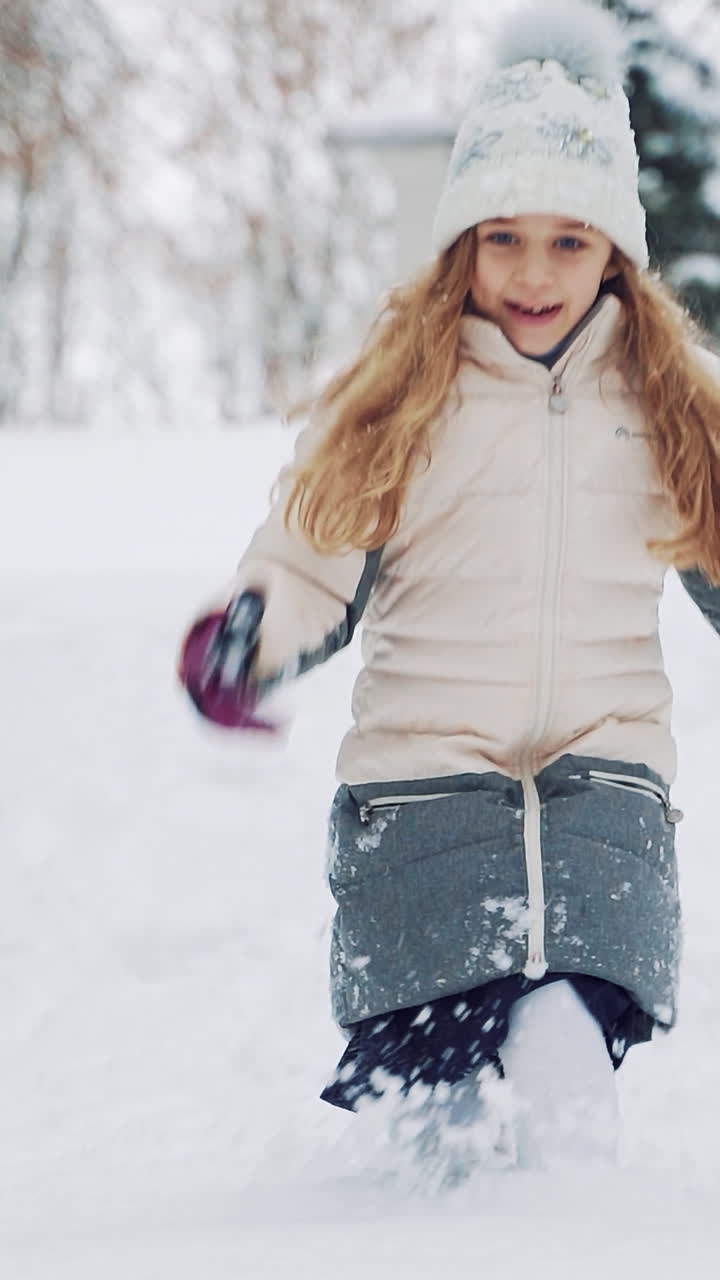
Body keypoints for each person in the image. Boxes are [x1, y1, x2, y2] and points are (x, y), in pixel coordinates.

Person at [178, 0, 720, 1175]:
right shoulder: (402, 398)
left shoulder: (673, 402)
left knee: (568, 1048)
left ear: (617, 249)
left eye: (570, 241)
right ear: (460, 242)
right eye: (503, 237)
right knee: (441, 1123)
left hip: (602, 797)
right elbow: (311, 554)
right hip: (425, 804)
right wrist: (251, 629)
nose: (533, 272)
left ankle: (581, 1245)